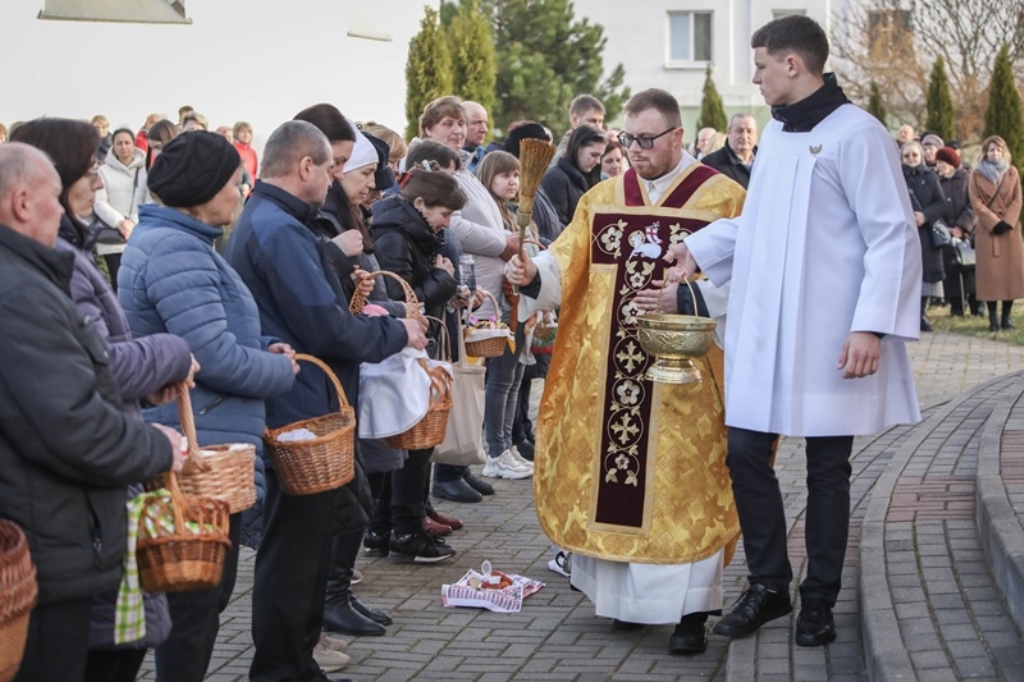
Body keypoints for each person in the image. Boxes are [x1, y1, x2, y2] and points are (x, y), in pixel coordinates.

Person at [672, 14, 921, 648]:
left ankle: (819, 599)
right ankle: (769, 585)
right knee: (746, 453)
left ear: (792, 64)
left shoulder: (859, 134)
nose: (753, 78)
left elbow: (891, 235)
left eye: (759, 66)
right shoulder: (780, 139)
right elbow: (761, 225)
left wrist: (871, 326)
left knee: (826, 468)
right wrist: (700, 249)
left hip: (829, 335)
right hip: (766, 331)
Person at [505, 88, 746, 655]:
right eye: (627, 139)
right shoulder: (604, 197)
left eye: (647, 140)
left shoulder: (725, 199)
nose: (634, 150)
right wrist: (531, 274)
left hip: (688, 379)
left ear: (679, 137)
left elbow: (748, 280)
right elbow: (567, 262)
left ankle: (692, 610)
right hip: (612, 374)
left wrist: (691, 302)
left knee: (685, 488)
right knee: (616, 480)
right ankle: (625, 605)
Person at [226, 120, 426, 682]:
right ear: (306, 166)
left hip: (303, 400)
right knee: (294, 553)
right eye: (332, 168)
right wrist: (395, 334)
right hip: (299, 408)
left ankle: (296, 658)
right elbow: (325, 328)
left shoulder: (277, 221)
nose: (337, 179)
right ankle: (282, 667)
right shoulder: (279, 229)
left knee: (307, 546)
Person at [0, 141, 185, 682]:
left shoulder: (29, 279)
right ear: (22, 202)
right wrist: (158, 447)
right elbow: (73, 422)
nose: (64, 210)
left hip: (48, 529)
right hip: (47, 536)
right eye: (55, 196)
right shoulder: (20, 293)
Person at [119, 131, 299, 682]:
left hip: (204, 432)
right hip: (197, 447)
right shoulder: (175, 249)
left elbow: (212, 335)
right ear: (204, 190)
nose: (241, 190)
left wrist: (260, 347)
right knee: (192, 603)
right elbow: (210, 356)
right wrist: (279, 370)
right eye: (233, 181)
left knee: (193, 600)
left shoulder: (181, 242)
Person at [968, 135, 1024, 332]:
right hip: (988, 230)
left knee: (1011, 275)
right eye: (992, 150)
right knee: (990, 276)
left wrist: (1008, 221)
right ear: (985, 152)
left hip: (1009, 230)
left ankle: (1006, 317)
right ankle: (992, 319)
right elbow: (976, 202)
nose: (995, 153)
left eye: (999, 150)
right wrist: (993, 222)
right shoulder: (976, 174)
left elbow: (1017, 198)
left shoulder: (1012, 172)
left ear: (1004, 151)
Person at [900, 140, 946, 332]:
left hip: (925, 233)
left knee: (927, 275)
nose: (911, 159)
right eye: (907, 155)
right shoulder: (896, 176)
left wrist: (924, 216)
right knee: (906, 275)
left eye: (914, 155)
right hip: (903, 233)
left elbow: (941, 203)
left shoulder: (931, 176)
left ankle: (922, 315)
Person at [95, 127, 148, 287]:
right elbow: (98, 201)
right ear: (113, 146)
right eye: (119, 143)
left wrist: (132, 222)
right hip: (113, 237)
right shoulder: (103, 171)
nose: (123, 147)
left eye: (127, 143)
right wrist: (120, 223)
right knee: (119, 286)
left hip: (139, 235)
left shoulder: (146, 170)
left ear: (134, 144)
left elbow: (150, 200)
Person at [935, 146, 979, 317]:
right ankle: (957, 307)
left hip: (968, 231)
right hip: (947, 232)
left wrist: (961, 227)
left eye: (942, 162)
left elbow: (974, 205)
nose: (938, 166)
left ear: (951, 163)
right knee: (951, 269)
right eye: (937, 162)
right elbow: (935, 206)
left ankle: (977, 306)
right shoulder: (937, 181)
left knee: (971, 269)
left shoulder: (967, 178)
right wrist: (946, 228)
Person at [541, 124, 606, 225]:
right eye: (594, 155)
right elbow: (555, 225)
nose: (598, 161)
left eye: (600, 156)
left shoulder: (590, 177)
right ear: (578, 148)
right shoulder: (555, 179)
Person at [700, 113, 758, 189]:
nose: (744, 136)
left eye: (749, 131)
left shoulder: (766, 161)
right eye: (739, 131)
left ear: (756, 134)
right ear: (728, 132)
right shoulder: (710, 164)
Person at [462, 101, 490, 172]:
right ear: (461, 124)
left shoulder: (489, 159)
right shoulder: (444, 159)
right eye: (477, 123)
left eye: (485, 123)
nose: (484, 130)